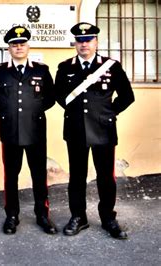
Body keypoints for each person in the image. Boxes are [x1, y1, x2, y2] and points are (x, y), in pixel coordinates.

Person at [54, 22, 135, 239]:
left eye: (88, 40)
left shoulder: (111, 66)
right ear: (75, 43)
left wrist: (109, 113)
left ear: (96, 41)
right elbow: (59, 96)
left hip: (104, 130)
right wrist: (77, 113)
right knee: (77, 177)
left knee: (106, 177)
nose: (84, 44)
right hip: (76, 130)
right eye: (80, 40)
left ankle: (108, 217)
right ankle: (78, 217)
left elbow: (128, 96)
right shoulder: (65, 67)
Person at [0, 26, 57, 235]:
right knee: (11, 176)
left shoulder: (41, 70)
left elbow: (50, 98)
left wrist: (32, 112)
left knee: (38, 175)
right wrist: (7, 113)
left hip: (35, 130)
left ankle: (42, 215)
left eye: (22, 43)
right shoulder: (0, 72)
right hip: (10, 130)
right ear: (9, 48)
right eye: (15, 44)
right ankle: (12, 215)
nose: (19, 47)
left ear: (28, 46)